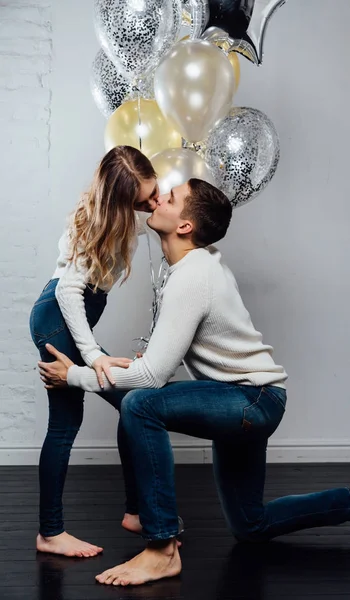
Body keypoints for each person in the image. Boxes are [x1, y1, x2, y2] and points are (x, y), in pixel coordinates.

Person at [39, 178, 350, 586]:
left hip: (250, 400)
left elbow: (153, 378)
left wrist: (76, 375)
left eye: (169, 199)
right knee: (251, 524)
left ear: (185, 226)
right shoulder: (190, 267)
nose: (158, 199)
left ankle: (161, 548)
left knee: (140, 403)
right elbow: (165, 362)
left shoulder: (194, 276)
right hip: (244, 399)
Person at [30, 145, 160, 558]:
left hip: (72, 316)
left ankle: (135, 511)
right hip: (59, 315)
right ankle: (51, 532)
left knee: (133, 404)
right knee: (69, 424)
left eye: (155, 191)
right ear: (124, 203)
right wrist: (94, 355)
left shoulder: (129, 216)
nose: (154, 202)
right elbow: (69, 290)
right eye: (145, 199)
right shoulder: (98, 223)